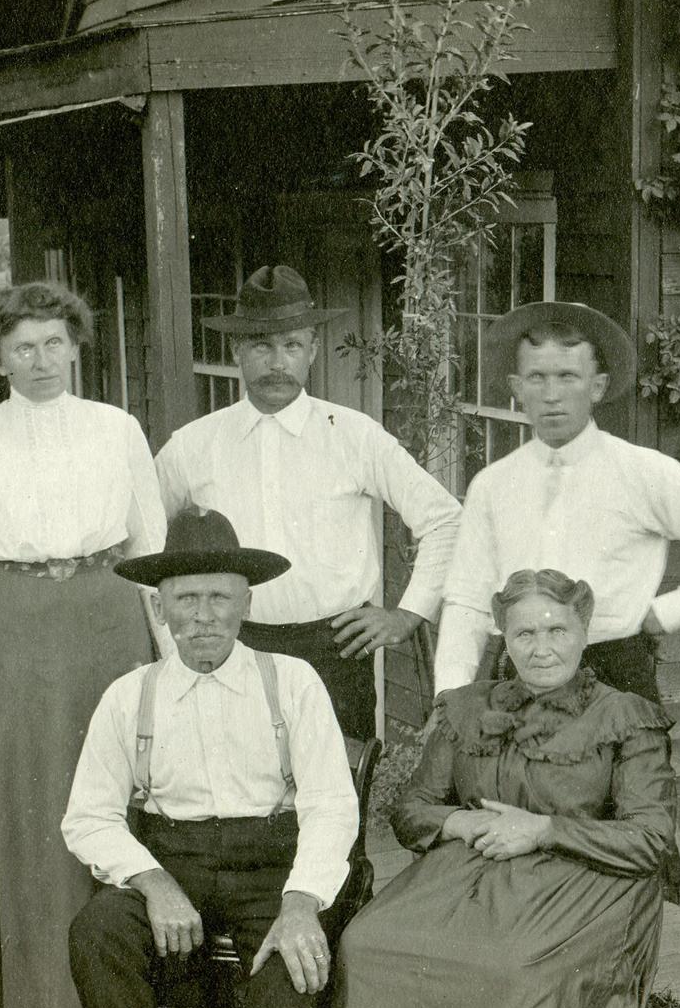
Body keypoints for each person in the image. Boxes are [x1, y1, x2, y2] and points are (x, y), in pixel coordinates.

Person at [302, 568, 675, 1008]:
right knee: (368, 943)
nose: (542, 648)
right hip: (471, 870)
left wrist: (544, 829)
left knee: (506, 967)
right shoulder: (466, 708)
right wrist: (459, 819)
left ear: (584, 631)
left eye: (557, 630)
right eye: (525, 633)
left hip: (584, 877)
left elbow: (650, 837)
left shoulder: (624, 716)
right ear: (503, 634)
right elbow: (412, 809)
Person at [0, 280, 165, 1008]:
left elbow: (148, 541)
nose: (42, 359)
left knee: (121, 789)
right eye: (23, 346)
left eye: (55, 341)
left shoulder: (117, 428)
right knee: (33, 803)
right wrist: (12, 596)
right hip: (15, 629)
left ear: (76, 344)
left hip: (109, 615)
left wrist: (151, 634)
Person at [62, 507, 361, 1008]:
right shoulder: (129, 695)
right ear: (160, 607)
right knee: (96, 933)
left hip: (274, 868)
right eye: (186, 598)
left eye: (219, 597)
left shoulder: (292, 682)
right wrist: (152, 881)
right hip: (172, 862)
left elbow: (333, 805)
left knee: (295, 958)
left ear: (245, 602)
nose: (203, 616)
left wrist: (303, 902)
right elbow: (88, 815)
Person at [158, 264, 460, 739]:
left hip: (334, 649)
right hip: (235, 645)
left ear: (313, 350)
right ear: (236, 350)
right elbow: (151, 545)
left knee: (338, 795)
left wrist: (407, 613)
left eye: (292, 345)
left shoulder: (354, 436)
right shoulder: (193, 446)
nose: (278, 362)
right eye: (262, 345)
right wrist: (174, 637)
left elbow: (445, 520)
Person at [431, 302, 680, 702]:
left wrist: (667, 613)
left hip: (614, 675)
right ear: (516, 387)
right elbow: (467, 602)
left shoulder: (645, 472)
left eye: (568, 377)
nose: (552, 395)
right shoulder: (492, 484)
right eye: (537, 378)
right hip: (518, 678)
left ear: (597, 386)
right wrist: (449, 700)